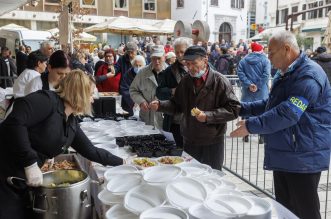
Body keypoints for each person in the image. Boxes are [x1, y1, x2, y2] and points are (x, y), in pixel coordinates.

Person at [230, 30, 331, 219]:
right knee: (285, 209)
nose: (268, 58)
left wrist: (251, 126)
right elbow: (271, 105)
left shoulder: (309, 75)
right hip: (287, 152)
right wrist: (240, 108)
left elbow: (289, 112)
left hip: (303, 156)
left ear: (286, 49)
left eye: (271, 53)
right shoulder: (286, 73)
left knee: (305, 211)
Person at [0, 69, 124, 219]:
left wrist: (123, 162)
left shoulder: (70, 121)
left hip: (23, 182)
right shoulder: (46, 100)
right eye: (91, 94)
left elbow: (91, 151)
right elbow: (14, 123)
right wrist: (30, 162)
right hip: (5, 175)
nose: (92, 100)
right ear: (80, 93)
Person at [150, 46, 240, 169]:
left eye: (194, 63)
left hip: (212, 141)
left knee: (211, 177)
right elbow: (177, 105)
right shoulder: (185, 81)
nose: (190, 68)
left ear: (205, 60)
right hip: (189, 139)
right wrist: (160, 105)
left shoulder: (220, 81)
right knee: (191, 176)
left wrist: (208, 116)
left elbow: (234, 109)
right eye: (187, 64)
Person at [156, 37, 192, 147]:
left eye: (182, 51)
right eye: (177, 52)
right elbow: (159, 92)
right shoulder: (169, 71)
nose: (180, 55)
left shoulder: (197, 67)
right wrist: (172, 90)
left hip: (195, 121)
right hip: (176, 121)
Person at [237, 42, 271, 143]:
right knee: (262, 111)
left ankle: (245, 134)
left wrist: (249, 85)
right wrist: (258, 85)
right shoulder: (265, 60)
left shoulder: (243, 60)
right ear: (261, 50)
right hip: (262, 91)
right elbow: (266, 75)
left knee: (247, 111)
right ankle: (262, 136)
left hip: (247, 91)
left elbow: (240, 73)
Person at [130, 45, 167, 129]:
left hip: (164, 119)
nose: (157, 61)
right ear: (150, 58)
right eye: (154, 58)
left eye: (159, 58)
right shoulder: (142, 72)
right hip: (146, 118)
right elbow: (133, 90)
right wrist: (141, 101)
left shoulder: (170, 72)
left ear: (164, 57)